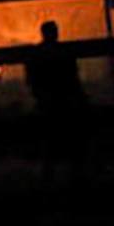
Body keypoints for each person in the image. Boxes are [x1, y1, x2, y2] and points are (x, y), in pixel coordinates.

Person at [23, 20, 90, 181]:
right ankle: (73, 174)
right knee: (68, 139)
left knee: (52, 140)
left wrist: (39, 95)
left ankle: (51, 174)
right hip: (62, 101)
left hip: (50, 102)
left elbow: (31, 80)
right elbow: (73, 78)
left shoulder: (37, 54)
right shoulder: (64, 52)